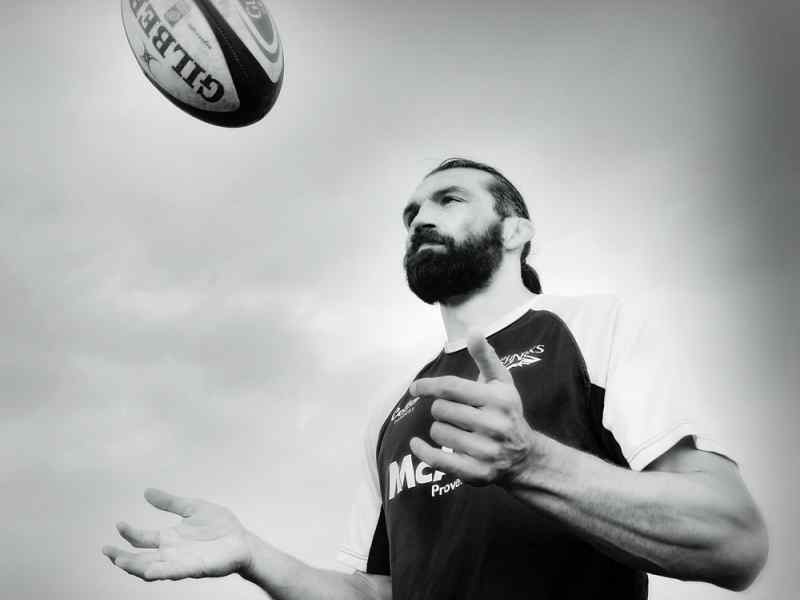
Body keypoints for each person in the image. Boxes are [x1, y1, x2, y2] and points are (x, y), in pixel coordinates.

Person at [103, 158, 769, 599]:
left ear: (515, 230)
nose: (421, 217)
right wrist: (256, 556)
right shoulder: (393, 408)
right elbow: (378, 589)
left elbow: (733, 541)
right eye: (411, 212)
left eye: (449, 199)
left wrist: (531, 462)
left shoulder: (594, 328)